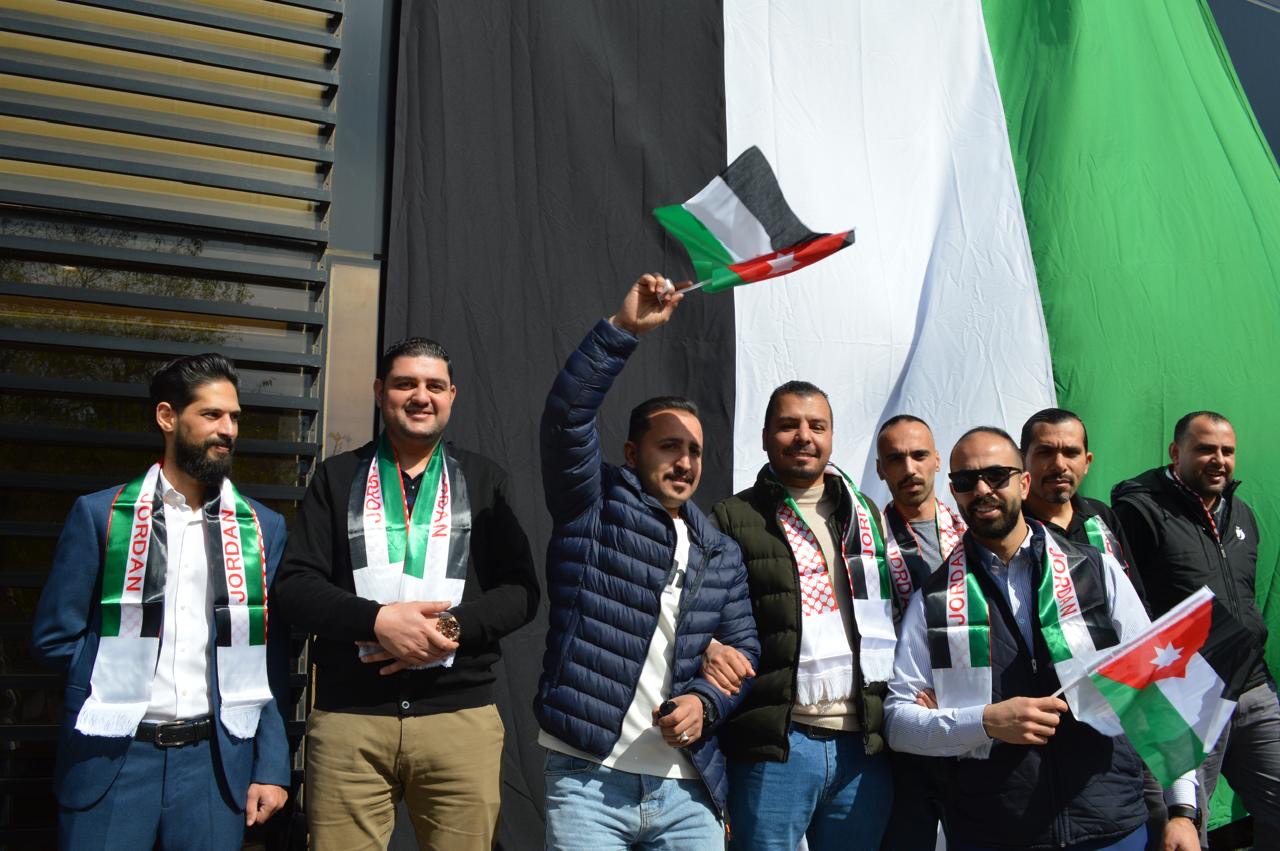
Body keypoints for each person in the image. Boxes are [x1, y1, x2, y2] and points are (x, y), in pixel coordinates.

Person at [273, 337, 539, 850]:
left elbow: (521, 592)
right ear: (380, 392)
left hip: (457, 720)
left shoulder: (484, 480)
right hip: (351, 722)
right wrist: (378, 622)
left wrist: (449, 627)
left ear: (452, 396)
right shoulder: (336, 477)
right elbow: (296, 587)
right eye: (405, 384)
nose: (421, 396)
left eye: (434, 386)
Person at [885, 427, 1198, 851]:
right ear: (954, 492)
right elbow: (898, 723)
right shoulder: (935, 599)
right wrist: (985, 722)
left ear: (1024, 482)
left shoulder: (1095, 570)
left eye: (997, 475)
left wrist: (1182, 810)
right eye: (966, 480)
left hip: (1108, 824)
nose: (982, 490)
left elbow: (1155, 686)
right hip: (994, 831)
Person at [536, 273, 760, 851]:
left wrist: (705, 703)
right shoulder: (594, 503)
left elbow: (744, 655)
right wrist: (623, 330)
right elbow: (566, 418)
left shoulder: (721, 552)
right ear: (633, 453)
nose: (685, 462)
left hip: (690, 789)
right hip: (589, 779)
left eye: (695, 451)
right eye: (670, 446)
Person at [32, 354, 290, 850]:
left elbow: (269, 658)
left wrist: (272, 766)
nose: (228, 429)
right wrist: (116, 673)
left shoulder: (262, 528)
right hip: (113, 760)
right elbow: (53, 639)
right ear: (167, 417)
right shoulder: (101, 515)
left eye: (234, 417)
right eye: (212, 414)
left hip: (215, 768)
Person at [706, 381, 897, 851]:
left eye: (817, 426)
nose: (804, 436)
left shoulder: (864, 515)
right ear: (765, 436)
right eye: (788, 425)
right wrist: (709, 647)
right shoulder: (732, 517)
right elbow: (698, 613)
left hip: (861, 748)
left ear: (831, 437)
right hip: (776, 747)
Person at [1113, 411, 1280, 845]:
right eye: (1205, 449)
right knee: (1184, 830)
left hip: (1252, 688)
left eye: (1227, 451)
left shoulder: (1241, 514)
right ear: (1176, 452)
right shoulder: (1139, 511)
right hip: (1184, 695)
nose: (1219, 460)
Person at [874, 414, 964, 850]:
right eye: (896, 459)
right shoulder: (865, 543)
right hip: (905, 722)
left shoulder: (971, 533)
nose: (909, 468)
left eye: (919, 455)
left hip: (971, 717)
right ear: (880, 469)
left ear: (937, 461)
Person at [1019, 408, 1148, 605]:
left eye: (1071, 453)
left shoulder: (1100, 515)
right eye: (1045, 452)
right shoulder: (1013, 526)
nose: (1059, 465)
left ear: (1087, 462)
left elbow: (1136, 599)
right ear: (1022, 461)